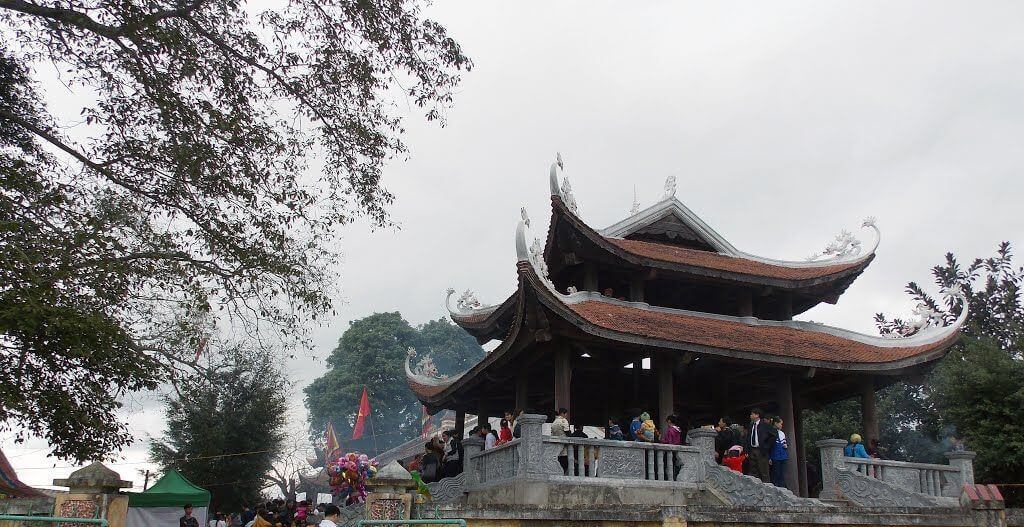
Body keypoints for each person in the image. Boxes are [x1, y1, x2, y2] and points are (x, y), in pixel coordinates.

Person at [747, 408, 775, 482]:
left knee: (764, 471)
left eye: (752, 414)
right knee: (753, 470)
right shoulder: (751, 425)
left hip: (761, 450)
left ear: (757, 415)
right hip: (752, 449)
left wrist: (767, 446)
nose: (751, 415)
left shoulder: (765, 424)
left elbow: (773, 435)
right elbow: (748, 437)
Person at [770, 417, 789, 488]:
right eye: (780, 424)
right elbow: (769, 446)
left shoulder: (782, 433)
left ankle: (783, 488)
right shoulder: (771, 432)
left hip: (783, 456)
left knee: (782, 474)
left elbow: (784, 442)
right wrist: (769, 457)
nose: (781, 425)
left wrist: (786, 445)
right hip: (775, 456)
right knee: (776, 474)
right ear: (775, 423)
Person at [550, 408, 570, 473]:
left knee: (558, 458)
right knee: (565, 460)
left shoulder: (554, 422)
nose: (566, 416)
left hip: (556, 443)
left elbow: (552, 433)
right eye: (566, 414)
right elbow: (566, 431)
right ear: (563, 413)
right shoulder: (564, 420)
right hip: (563, 443)